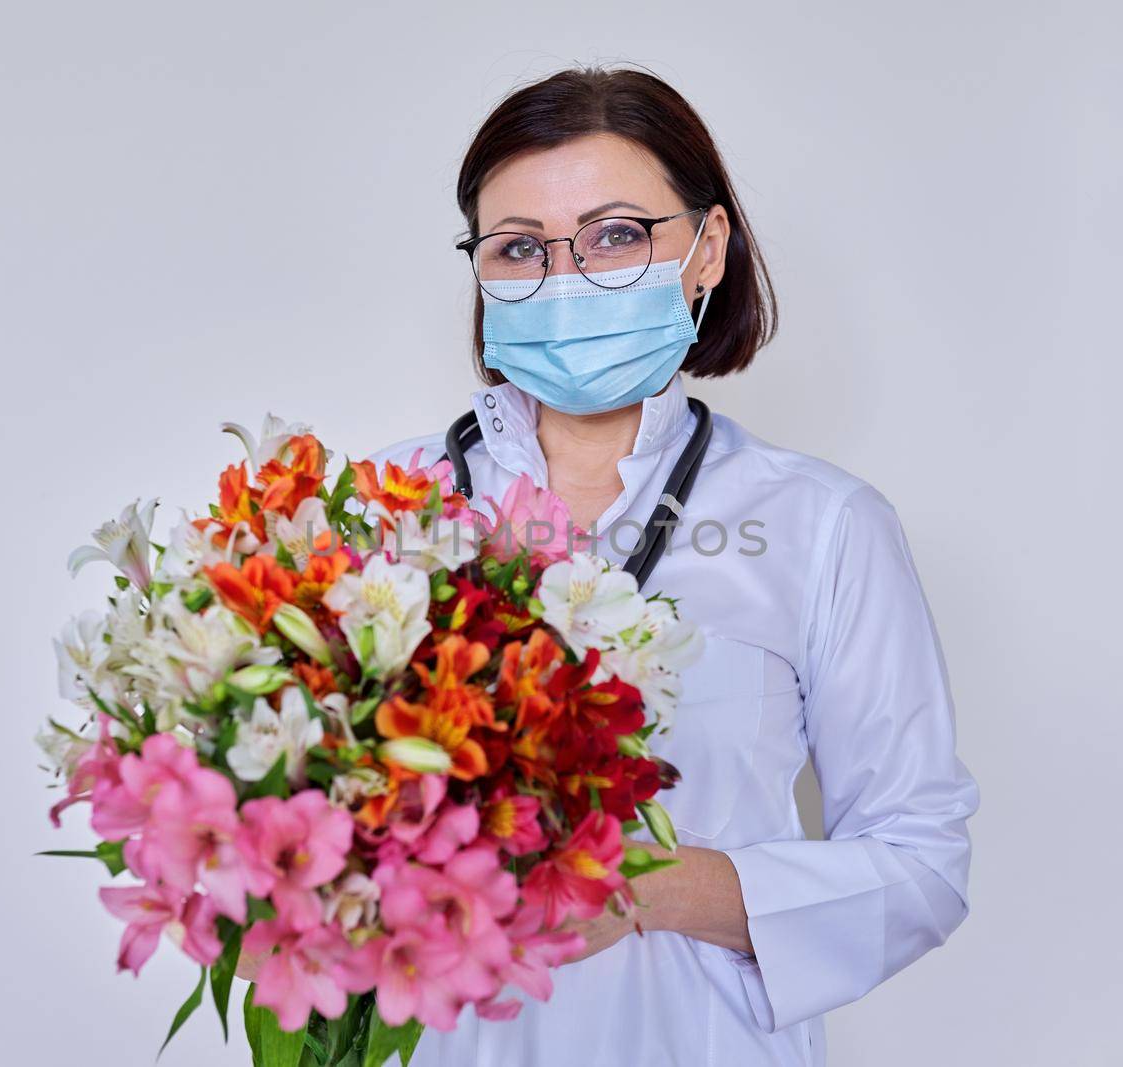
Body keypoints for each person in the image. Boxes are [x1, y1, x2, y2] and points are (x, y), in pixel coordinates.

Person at [365, 65, 982, 1066]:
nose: (565, 281)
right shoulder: (373, 510)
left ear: (706, 251)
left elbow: (922, 863)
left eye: (616, 235)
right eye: (520, 248)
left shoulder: (821, 524)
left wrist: (652, 885)